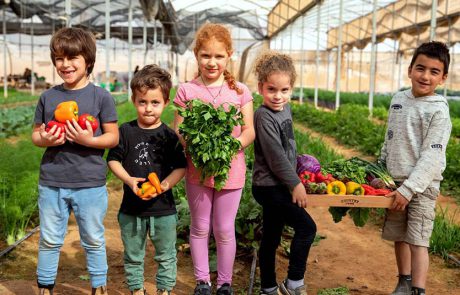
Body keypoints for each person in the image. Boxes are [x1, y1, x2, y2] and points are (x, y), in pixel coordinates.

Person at [31, 27, 119, 295]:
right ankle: (45, 286)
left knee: (92, 238)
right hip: (52, 181)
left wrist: (89, 140)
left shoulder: (101, 97)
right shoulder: (48, 97)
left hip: (89, 183)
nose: (65, 64)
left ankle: (98, 285)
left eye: (72, 58)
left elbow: (112, 137)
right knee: (49, 239)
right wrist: (47, 139)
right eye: (59, 58)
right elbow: (36, 135)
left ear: (88, 60)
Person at [173, 23, 255, 295]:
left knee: (223, 228)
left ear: (229, 55)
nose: (212, 62)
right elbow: (180, 130)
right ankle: (202, 282)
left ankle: (225, 283)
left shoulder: (240, 91)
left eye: (219, 56)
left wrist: (231, 146)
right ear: (197, 55)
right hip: (197, 169)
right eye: (206, 55)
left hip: (230, 170)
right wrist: (196, 148)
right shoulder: (186, 91)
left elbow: (248, 131)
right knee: (199, 227)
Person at [107, 65, 187, 295]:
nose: (148, 109)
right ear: (134, 100)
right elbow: (113, 160)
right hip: (132, 209)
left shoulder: (169, 135)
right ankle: (136, 290)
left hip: (164, 209)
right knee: (133, 255)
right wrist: (130, 180)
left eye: (155, 103)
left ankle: (164, 290)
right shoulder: (126, 131)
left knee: (166, 254)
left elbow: (180, 167)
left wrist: (164, 186)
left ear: (166, 102)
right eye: (143, 102)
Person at [379, 41, 451, 295]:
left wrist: (409, 189)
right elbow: (390, 136)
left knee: (418, 240)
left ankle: (418, 290)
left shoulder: (439, 111)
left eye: (434, 71)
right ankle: (404, 282)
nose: (425, 76)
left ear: (443, 77)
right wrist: (381, 167)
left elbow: (432, 156)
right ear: (409, 70)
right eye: (420, 68)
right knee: (399, 236)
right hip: (395, 184)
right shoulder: (398, 99)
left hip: (421, 187)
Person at [251, 50, 317, 295]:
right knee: (307, 228)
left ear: (291, 88)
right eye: (271, 89)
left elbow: (288, 146)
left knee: (271, 236)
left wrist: (299, 166)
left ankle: (268, 288)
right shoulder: (263, 116)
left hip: (279, 185)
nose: (278, 96)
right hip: (269, 187)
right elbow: (276, 157)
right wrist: (295, 183)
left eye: (284, 90)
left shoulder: (284, 110)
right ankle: (294, 284)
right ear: (260, 87)